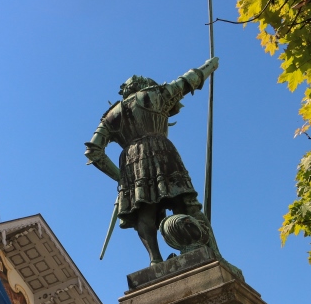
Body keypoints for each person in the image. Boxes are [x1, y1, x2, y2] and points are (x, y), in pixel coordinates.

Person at [86, 57, 218, 265]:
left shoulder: (110, 116)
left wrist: (120, 177)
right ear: (142, 84)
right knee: (183, 202)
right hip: (161, 150)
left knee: (143, 212)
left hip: (130, 162)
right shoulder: (153, 94)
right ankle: (199, 250)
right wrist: (211, 65)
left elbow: (93, 151)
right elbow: (188, 80)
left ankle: (155, 260)